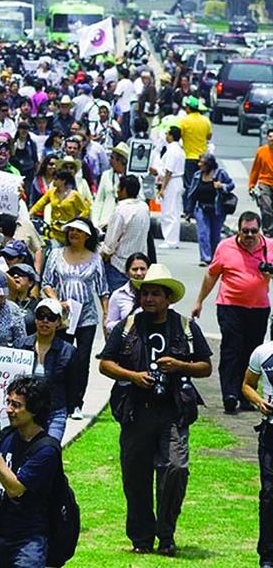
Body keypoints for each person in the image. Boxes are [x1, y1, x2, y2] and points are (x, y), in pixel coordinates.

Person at [99, 263, 212, 556]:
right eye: (145, 293)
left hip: (172, 412)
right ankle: (141, 539)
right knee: (135, 478)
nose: (148, 299)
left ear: (168, 298)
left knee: (175, 468)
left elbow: (205, 366)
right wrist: (133, 376)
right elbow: (105, 363)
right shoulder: (128, 326)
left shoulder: (185, 327)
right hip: (136, 412)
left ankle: (166, 534)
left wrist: (180, 366)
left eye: (155, 294)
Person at [0, 376, 60, 568]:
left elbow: (15, 489)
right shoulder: (7, 435)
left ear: (34, 409)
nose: (9, 409)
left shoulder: (46, 450)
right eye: (8, 402)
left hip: (26, 543)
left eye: (16, 405)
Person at [193, 211, 273, 413]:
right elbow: (211, 276)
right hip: (230, 306)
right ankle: (229, 393)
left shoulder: (269, 247)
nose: (249, 235)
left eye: (253, 231)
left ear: (259, 231)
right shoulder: (225, 246)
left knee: (252, 351)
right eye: (245, 231)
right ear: (238, 230)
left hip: (259, 307)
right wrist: (199, 301)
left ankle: (246, 395)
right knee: (232, 349)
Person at [41, 218, 109, 421]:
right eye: (71, 231)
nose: (73, 234)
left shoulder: (95, 259)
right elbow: (46, 282)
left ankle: (77, 403)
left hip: (86, 318)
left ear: (87, 236)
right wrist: (57, 302)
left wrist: (106, 315)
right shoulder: (55, 255)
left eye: (78, 232)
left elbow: (103, 290)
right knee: (61, 358)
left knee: (81, 360)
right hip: (62, 318)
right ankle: (58, 400)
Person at [13, 299, 77, 440]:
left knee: (50, 451)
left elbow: (73, 384)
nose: (45, 321)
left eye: (51, 317)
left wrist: (69, 408)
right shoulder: (20, 345)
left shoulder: (68, 351)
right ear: (35, 320)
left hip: (56, 411)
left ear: (58, 322)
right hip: (26, 413)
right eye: (41, 316)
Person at [243, 340, 273, 568]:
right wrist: (258, 402)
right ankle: (267, 556)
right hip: (271, 431)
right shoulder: (263, 353)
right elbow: (247, 385)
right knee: (269, 494)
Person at [99, 175, 150, 292]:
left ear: (124, 190)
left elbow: (110, 244)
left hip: (119, 266)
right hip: (139, 264)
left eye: (119, 188)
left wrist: (102, 256)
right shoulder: (144, 207)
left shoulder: (120, 210)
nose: (117, 191)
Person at [185, 152, 236, 266]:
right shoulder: (197, 175)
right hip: (201, 208)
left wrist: (222, 186)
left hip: (217, 209)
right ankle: (205, 258)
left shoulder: (220, 174)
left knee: (215, 235)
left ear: (209, 164)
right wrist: (188, 211)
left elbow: (231, 185)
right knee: (203, 233)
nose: (199, 165)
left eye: (202, 163)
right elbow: (192, 193)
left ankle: (215, 257)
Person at [104, 252, 151, 332]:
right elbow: (108, 325)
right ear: (127, 272)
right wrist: (128, 323)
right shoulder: (118, 295)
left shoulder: (158, 294)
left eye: (142, 269)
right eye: (134, 269)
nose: (139, 273)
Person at [156, 126, 186, 249]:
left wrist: (163, 188)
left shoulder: (173, 151)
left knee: (169, 211)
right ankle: (172, 239)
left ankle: (170, 240)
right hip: (176, 181)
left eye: (167, 134)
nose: (166, 136)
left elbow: (169, 171)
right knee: (174, 211)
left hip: (172, 182)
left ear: (172, 136)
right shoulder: (178, 150)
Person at [249, 128, 273, 237]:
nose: (272, 139)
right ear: (267, 138)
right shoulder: (261, 151)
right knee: (266, 208)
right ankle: (268, 232)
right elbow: (255, 170)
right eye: (270, 136)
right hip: (265, 183)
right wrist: (251, 185)